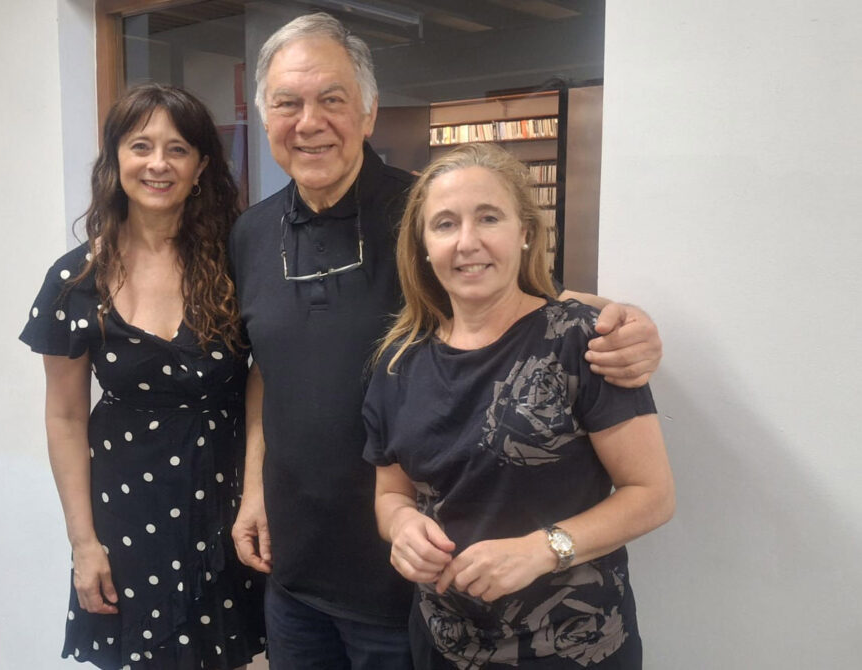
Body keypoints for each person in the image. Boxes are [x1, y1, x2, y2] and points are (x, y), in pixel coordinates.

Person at [229, 13, 663, 670]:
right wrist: (254, 492)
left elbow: (527, 305)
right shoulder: (250, 234)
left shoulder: (427, 215)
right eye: (287, 104)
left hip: (414, 584)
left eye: (332, 99)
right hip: (296, 576)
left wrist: (625, 324)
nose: (309, 122)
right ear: (266, 120)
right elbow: (266, 370)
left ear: (369, 112)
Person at [363, 143, 675, 669]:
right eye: (445, 224)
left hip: (574, 647)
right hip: (444, 645)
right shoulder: (398, 364)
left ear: (525, 232)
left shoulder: (580, 340)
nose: (467, 241)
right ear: (423, 246)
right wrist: (401, 528)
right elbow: (391, 494)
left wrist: (541, 550)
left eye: (489, 217)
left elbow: (652, 495)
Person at [20, 84, 264, 670]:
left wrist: (257, 495)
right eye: (141, 146)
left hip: (226, 502)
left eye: (177, 149)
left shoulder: (239, 264)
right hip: (127, 516)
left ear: (201, 166)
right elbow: (65, 417)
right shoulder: (75, 280)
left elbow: (268, 379)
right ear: (115, 159)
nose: (159, 164)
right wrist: (83, 544)